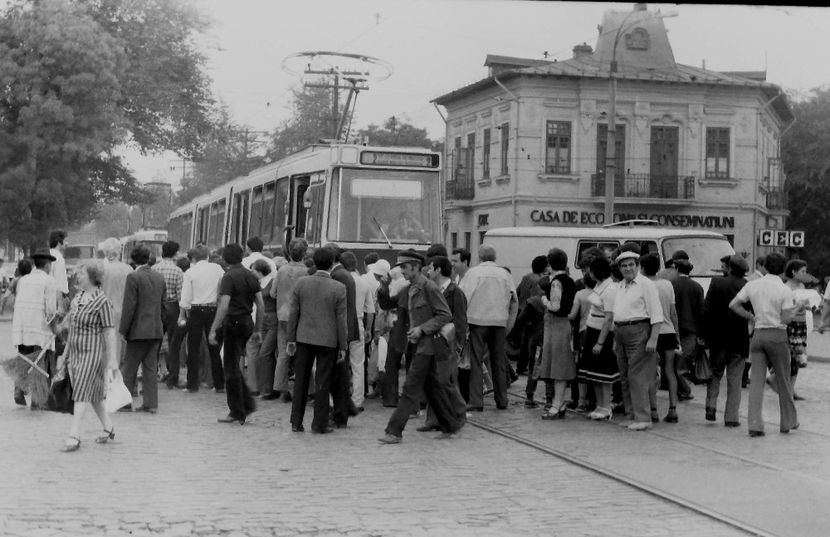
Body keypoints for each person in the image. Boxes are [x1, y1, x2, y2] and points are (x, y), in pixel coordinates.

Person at [378, 250, 463, 444]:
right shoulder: (409, 289)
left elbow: (445, 315)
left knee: (410, 387)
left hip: (428, 345)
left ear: (416, 268)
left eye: (405, 268)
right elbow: (386, 304)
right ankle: (450, 424)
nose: (403, 272)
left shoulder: (429, 288)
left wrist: (422, 330)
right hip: (416, 345)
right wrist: (384, 286)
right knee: (433, 387)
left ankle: (394, 431)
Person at [729, 252, 799, 437]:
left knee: (756, 383)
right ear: (783, 269)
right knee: (783, 380)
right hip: (777, 335)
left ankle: (755, 425)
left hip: (758, 334)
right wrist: (797, 309)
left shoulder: (752, 285)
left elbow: (733, 305)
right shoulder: (785, 290)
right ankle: (787, 421)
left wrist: (750, 316)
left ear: (765, 267)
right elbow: (786, 319)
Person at [59, 261, 119, 452]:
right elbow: (72, 330)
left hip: (93, 353)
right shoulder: (78, 298)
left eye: (82, 273)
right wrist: (65, 354)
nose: (78, 276)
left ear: (93, 277)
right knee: (91, 394)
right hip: (76, 352)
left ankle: (74, 435)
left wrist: (112, 358)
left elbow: (110, 331)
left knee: (81, 394)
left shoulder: (102, 301)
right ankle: (109, 428)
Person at [287, 247, 348, 434]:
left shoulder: (301, 283)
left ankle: (296, 421)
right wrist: (342, 345)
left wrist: (291, 339)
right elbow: (341, 319)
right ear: (332, 264)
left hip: (303, 337)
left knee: (301, 381)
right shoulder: (339, 288)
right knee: (323, 381)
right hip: (328, 340)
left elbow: (293, 313)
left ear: (313, 262)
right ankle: (319, 423)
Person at [209, 244, 264, 425]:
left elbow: (224, 305)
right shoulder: (251, 275)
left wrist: (213, 329)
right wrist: (258, 329)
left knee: (230, 368)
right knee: (235, 364)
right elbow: (261, 305)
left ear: (225, 258)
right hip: (248, 322)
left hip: (233, 322)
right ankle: (246, 402)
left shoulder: (229, 277)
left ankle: (237, 410)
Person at [460, 244, 518, 412]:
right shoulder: (505, 274)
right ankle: (502, 399)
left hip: (477, 321)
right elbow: (514, 301)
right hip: (499, 322)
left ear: (479, 257)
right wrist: (509, 324)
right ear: (495, 257)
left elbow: (464, 297)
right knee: (499, 361)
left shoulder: (473, 273)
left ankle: (476, 400)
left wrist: (463, 323)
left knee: (476, 361)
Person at [612, 248, 664, 431]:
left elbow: (657, 313)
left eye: (631, 265)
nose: (628, 269)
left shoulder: (646, 284)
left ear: (638, 266)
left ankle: (643, 417)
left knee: (637, 376)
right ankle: (631, 415)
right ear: (619, 268)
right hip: (620, 331)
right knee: (625, 376)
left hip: (639, 330)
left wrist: (653, 339)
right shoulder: (620, 286)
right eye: (624, 266)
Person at [419, 255, 468, 431]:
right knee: (432, 380)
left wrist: (459, 345)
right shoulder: (432, 289)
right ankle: (433, 419)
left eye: (431, 268)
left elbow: (461, 320)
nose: (428, 271)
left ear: (439, 269)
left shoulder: (455, 292)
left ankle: (459, 412)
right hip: (431, 340)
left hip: (448, 342)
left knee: (444, 380)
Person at [703, 255, 749, 427]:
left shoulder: (716, 282)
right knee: (735, 379)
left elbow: (706, 310)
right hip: (739, 338)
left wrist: (705, 336)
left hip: (718, 338)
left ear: (729, 268)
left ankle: (711, 407)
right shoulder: (747, 285)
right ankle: (731, 417)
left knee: (715, 374)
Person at [119, 245, 166, 413]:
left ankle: (124, 403)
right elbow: (163, 305)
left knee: (129, 367)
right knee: (150, 368)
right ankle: (151, 403)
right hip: (155, 329)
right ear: (149, 258)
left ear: (132, 260)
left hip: (138, 331)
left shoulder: (133, 277)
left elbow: (129, 306)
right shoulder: (159, 277)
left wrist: (123, 330)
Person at [11, 249, 58, 407]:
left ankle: (19, 390)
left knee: (24, 358)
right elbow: (50, 310)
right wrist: (55, 328)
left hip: (22, 328)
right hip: (39, 329)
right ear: (47, 265)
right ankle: (38, 400)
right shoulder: (49, 281)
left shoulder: (23, 280)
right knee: (39, 362)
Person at [533, 248, 576, 420]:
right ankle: (559, 402)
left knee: (558, 365)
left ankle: (557, 403)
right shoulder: (570, 280)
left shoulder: (556, 282)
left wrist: (543, 300)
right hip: (562, 324)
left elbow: (555, 306)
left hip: (556, 324)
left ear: (550, 264)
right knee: (557, 364)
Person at [178, 245, 226, 393]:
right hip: (213, 309)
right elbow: (223, 285)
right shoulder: (217, 269)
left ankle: (192, 384)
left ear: (193, 258)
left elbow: (185, 296)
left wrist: (182, 314)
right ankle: (219, 383)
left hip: (196, 310)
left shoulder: (190, 272)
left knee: (193, 347)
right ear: (207, 255)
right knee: (214, 346)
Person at [577, 256, 619, 420]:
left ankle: (606, 406)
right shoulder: (600, 285)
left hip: (602, 334)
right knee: (594, 373)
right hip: (592, 330)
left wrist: (600, 342)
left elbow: (609, 318)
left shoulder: (610, 289)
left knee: (604, 373)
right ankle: (600, 405)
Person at [641, 253, 679, 423]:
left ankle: (654, 410)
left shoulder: (643, 285)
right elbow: (673, 312)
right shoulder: (667, 285)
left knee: (650, 373)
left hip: (652, 333)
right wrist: (677, 334)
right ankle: (672, 409)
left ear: (642, 268)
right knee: (670, 371)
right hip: (669, 331)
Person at [326, 244, 360, 426]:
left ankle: (341, 412)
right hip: (346, 327)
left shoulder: (338, 275)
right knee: (340, 373)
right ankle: (347, 406)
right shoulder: (345, 274)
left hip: (341, 330)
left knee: (337, 375)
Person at [767, 259, 810, 401]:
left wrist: (811, 304)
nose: (805, 274)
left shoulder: (802, 286)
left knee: (798, 357)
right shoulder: (786, 287)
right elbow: (785, 309)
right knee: (789, 357)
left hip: (801, 324)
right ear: (794, 272)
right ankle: (776, 380)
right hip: (790, 325)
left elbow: (805, 304)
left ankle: (791, 389)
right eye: (802, 271)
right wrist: (799, 305)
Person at [273, 238, 309, 402]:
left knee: (283, 353)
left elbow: (273, 293)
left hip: (282, 315)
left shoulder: (281, 270)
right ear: (305, 253)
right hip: (300, 316)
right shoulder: (307, 272)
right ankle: (306, 390)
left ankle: (281, 389)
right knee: (303, 354)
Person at [342, 251, 375, 410]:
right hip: (359, 322)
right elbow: (370, 309)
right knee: (358, 364)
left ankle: (338, 398)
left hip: (342, 323)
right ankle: (357, 399)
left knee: (340, 361)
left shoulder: (340, 280)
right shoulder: (363, 282)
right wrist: (368, 329)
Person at [152, 240, 184, 389]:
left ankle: (152, 374)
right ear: (175, 253)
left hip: (156, 307)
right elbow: (180, 294)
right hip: (172, 307)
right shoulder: (177, 271)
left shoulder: (153, 269)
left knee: (155, 343)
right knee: (174, 343)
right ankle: (173, 378)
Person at [669, 257, 703, 402]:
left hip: (672, 328)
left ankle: (683, 390)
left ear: (676, 269)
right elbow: (701, 311)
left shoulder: (671, 284)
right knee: (682, 364)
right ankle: (683, 390)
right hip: (690, 330)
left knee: (671, 363)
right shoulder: (697, 287)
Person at [100, 238, 134, 363]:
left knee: (104, 343)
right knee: (118, 344)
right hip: (122, 311)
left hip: (103, 310)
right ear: (119, 251)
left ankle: (104, 373)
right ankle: (115, 371)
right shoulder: (128, 269)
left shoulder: (101, 269)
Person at [514, 255, 547, 375]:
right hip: (531, 312)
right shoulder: (538, 281)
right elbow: (536, 299)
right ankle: (529, 367)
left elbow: (517, 292)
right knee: (531, 342)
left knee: (523, 342)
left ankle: (520, 367)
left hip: (521, 310)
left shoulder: (526, 277)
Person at [48, 229, 69, 303]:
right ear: (59, 241)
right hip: (55, 298)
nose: (67, 243)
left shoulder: (48, 254)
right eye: (65, 240)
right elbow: (59, 282)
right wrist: (61, 304)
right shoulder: (58, 258)